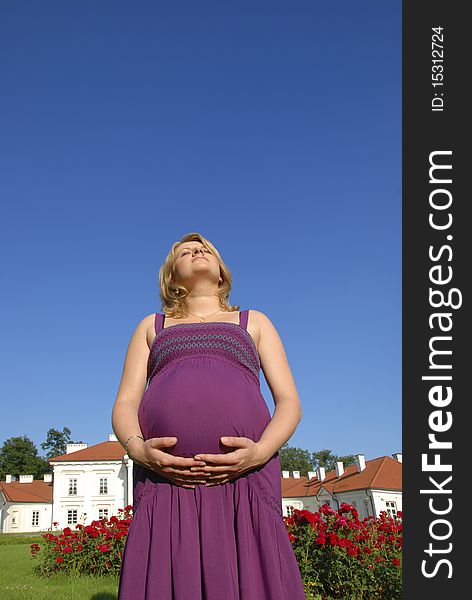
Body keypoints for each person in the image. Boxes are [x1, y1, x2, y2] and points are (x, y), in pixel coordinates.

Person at [113, 232, 306, 599]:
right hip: (166, 479)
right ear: (172, 276)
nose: (198, 251)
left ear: (221, 273)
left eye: (205, 250)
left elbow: (289, 400)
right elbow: (124, 403)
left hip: (245, 475)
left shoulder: (253, 321)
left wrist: (261, 452)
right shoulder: (152, 326)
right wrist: (139, 451)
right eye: (186, 251)